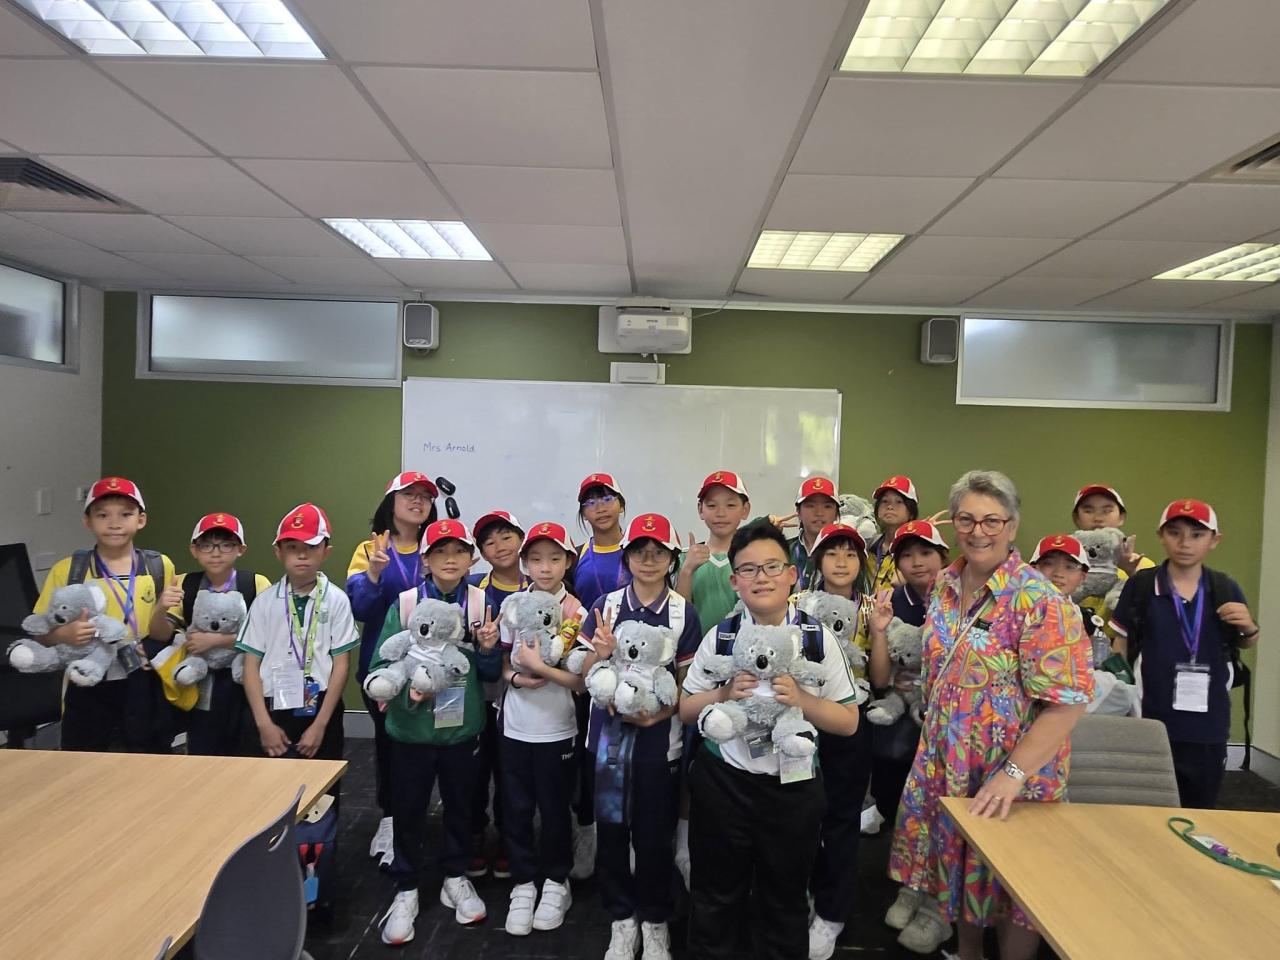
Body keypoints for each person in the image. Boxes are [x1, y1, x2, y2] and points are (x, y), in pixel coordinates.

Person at [888, 471, 1093, 960]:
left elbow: (1067, 704)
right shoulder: (943, 585)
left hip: (1011, 771)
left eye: (992, 520)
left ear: (1012, 526)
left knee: (1013, 891)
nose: (978, 531)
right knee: (958, 872)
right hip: (946, 761)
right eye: (966, 519)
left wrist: (1011, 775)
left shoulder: (1039, 600)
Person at [680, 521, 860, 960]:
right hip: (724, 783)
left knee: (784, 898)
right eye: (748, 569)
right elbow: (685, 709)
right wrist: (723, 694)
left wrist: (802, 700)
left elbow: (848, 721)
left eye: (772, 566)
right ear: (734, 581)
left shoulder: (817, 639)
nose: (761, 578)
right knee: (715, 895)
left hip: (792, 788)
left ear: (792, 574)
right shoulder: (722, 636)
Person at [579, 513, 703, 960]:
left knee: (654, 836)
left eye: (658, 552)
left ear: (672, 559)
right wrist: (600, 656)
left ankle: (654, 920)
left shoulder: (682, 612)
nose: (648, 559)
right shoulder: (606, 605)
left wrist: (661, 713)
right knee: (612, 831)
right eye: (639, 551)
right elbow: (585, 677)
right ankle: (621, 918)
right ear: (626, 557)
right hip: (608, 743)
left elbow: (689, 685)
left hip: (658, 744)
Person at [374, 518, 502, 945]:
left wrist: (487, 650)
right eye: (440, 552)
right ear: (425, 560)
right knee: (408, 808)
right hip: (410, 731)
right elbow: (382, 665)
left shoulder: (481, 602)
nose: (450, 559)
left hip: (461, 730)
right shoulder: (406, 604)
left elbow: (489, 674)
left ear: (471, 559)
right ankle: (407, 887)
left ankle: (455, 875)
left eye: (459, 551)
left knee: (462, 807)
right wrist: (408, 693)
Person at [1110, 500, 1259, 809]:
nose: (1185, 543)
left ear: (1214, 540)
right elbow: (1120, 645)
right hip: (1150, 720)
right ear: (1161, 536)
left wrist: (1249, 627)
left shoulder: (1224, 588)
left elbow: (1245, 642)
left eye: (1196, 534)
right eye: (1175, 532)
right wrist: (1120, 699)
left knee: (1201, 809)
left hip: (1208, 724)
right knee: (1146, 809)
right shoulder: (1141, 587)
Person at [31, 477, 177, 752]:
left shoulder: (158, 566)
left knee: (148, 753)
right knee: (84, 754)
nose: (114, 523)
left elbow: (164, 634)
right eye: (102, 515)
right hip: (87, 678)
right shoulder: (69, 570)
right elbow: (40, 634)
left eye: (125, 514)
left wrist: (159, 612)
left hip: (142, 677)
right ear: (87, 522)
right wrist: (65, 634)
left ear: (141, 520)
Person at [500, 521, 587, 936]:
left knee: (554, 809)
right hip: (515, 725)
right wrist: (517, 677)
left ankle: (556, 881)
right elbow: (503, 664)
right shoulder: (512, 606)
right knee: (515, 808)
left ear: (568, 562)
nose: (545, 567)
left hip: (557, 727)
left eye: (554, 559)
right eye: (536, 559)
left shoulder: (578, 612)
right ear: (525, 563)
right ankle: (522, 883)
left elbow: (581, 682)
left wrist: (543, 671)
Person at [346, 471, 436, 866]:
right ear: (391, 502)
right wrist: (374, 573)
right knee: (389, 747)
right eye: (408, 495)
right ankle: (390, 818)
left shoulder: (438, 546)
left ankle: (421, 820)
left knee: (428, 747)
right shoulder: (370, 549)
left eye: (425, 497)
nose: (417, 502)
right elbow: (360, 609)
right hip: (383, 667)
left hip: (432, 669)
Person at [799, 520, 875, 960]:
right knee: (800, 816)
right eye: (832, 552)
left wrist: (879, 631)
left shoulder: (872, 607)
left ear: (861, 562)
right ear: (817, 560)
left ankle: (832, 912)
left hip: (850, 725)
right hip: (802, 722)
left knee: (841, 820)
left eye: (850, 554)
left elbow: (880, 677)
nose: (841, 562)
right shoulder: (799, 603)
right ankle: (805, 894)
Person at [236, 502, 357, 776]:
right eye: (292, 547)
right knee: (269, 785)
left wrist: (320, 725)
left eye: (311, 547)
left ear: (326, 551)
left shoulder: (337, 600)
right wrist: (264, 725)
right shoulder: (265, 602)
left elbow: (341, 665)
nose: (302, 555)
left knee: (321, 786)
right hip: (272, 704)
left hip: (321, 706)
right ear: (278, 552)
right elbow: (250, 666)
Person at [870, 520, 949, 938]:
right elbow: (882, 679)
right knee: (894, 784)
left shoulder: (961, 596)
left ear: (943, 556)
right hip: (906, 710)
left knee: (944, 806)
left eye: (926, 553)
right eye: (907, 555)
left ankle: (937, 893)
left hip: (953, 717)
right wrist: (881, 632)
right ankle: (911, 882)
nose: (917, 562)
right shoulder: (894, 600)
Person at [150, 513, 272, 756]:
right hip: (201, 683)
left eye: (226, 545)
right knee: (204, 749)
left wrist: (219, 641)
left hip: (245, 681)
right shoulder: (185, 583)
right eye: (207, 545)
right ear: (194, 550)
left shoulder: (255, 583)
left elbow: (271, 637)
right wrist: (161, 608)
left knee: (247, 748)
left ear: (241, 549)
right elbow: (160, 634)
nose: (216, 553)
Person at [571, 472, 630, 879]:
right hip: (592, 667)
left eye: (607, 498)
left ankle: (632, 836)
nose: (601, 507)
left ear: (621, 504)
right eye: (590, 502)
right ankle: (587, 832)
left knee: (631, 755)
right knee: (589, 757)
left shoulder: (642, 548)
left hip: (637, 670)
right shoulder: (577, 555)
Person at [470, 509, 529, 879]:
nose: (500, 545)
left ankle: (510, 835)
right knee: (477, 770)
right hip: (480, 698)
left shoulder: (538, 585)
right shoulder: (474, 591)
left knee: (513, 772)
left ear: (521, 540)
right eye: (489, 541)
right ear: (481, 552)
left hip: (525, 699)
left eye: (506, 536)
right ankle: (476, 833)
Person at [787, 476, 841, 588]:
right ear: (798, 512)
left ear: (836, 513)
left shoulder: (849, 555)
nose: (819, 513)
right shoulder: (784, 551)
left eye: (827, 506)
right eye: (810, 506)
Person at [870, 475, 920, 591]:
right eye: (885, 501)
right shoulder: (870, 546)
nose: (890, 507)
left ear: (911, 513)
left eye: (898, 501)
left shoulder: (918, 550)